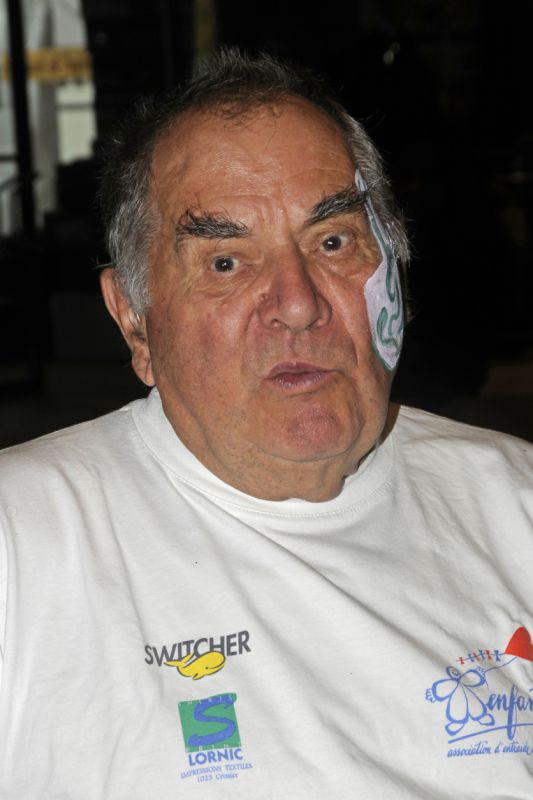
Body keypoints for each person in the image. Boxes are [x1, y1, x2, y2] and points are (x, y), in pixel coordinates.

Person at [0, 50, 532, 799]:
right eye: (226, 263)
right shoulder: (22, 544)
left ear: (396, 274)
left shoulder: (516, 504)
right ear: (134, 320)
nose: (298, 304)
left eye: (333, 243)